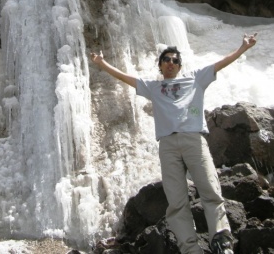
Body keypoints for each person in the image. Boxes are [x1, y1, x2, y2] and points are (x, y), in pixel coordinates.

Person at [90, 33, 258, 254]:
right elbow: (126, 78)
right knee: (177, 202)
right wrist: (102, 64)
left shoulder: (195, 78)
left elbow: (220, 64)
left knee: (209, 188)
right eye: (166, 59)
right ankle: (190, 249)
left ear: (180, 65)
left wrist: (242, 48)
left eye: (175, 60)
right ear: (160, 65)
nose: (171, 62)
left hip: (194, 139)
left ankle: (221, 240)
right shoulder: (153, 87)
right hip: (167, 145)